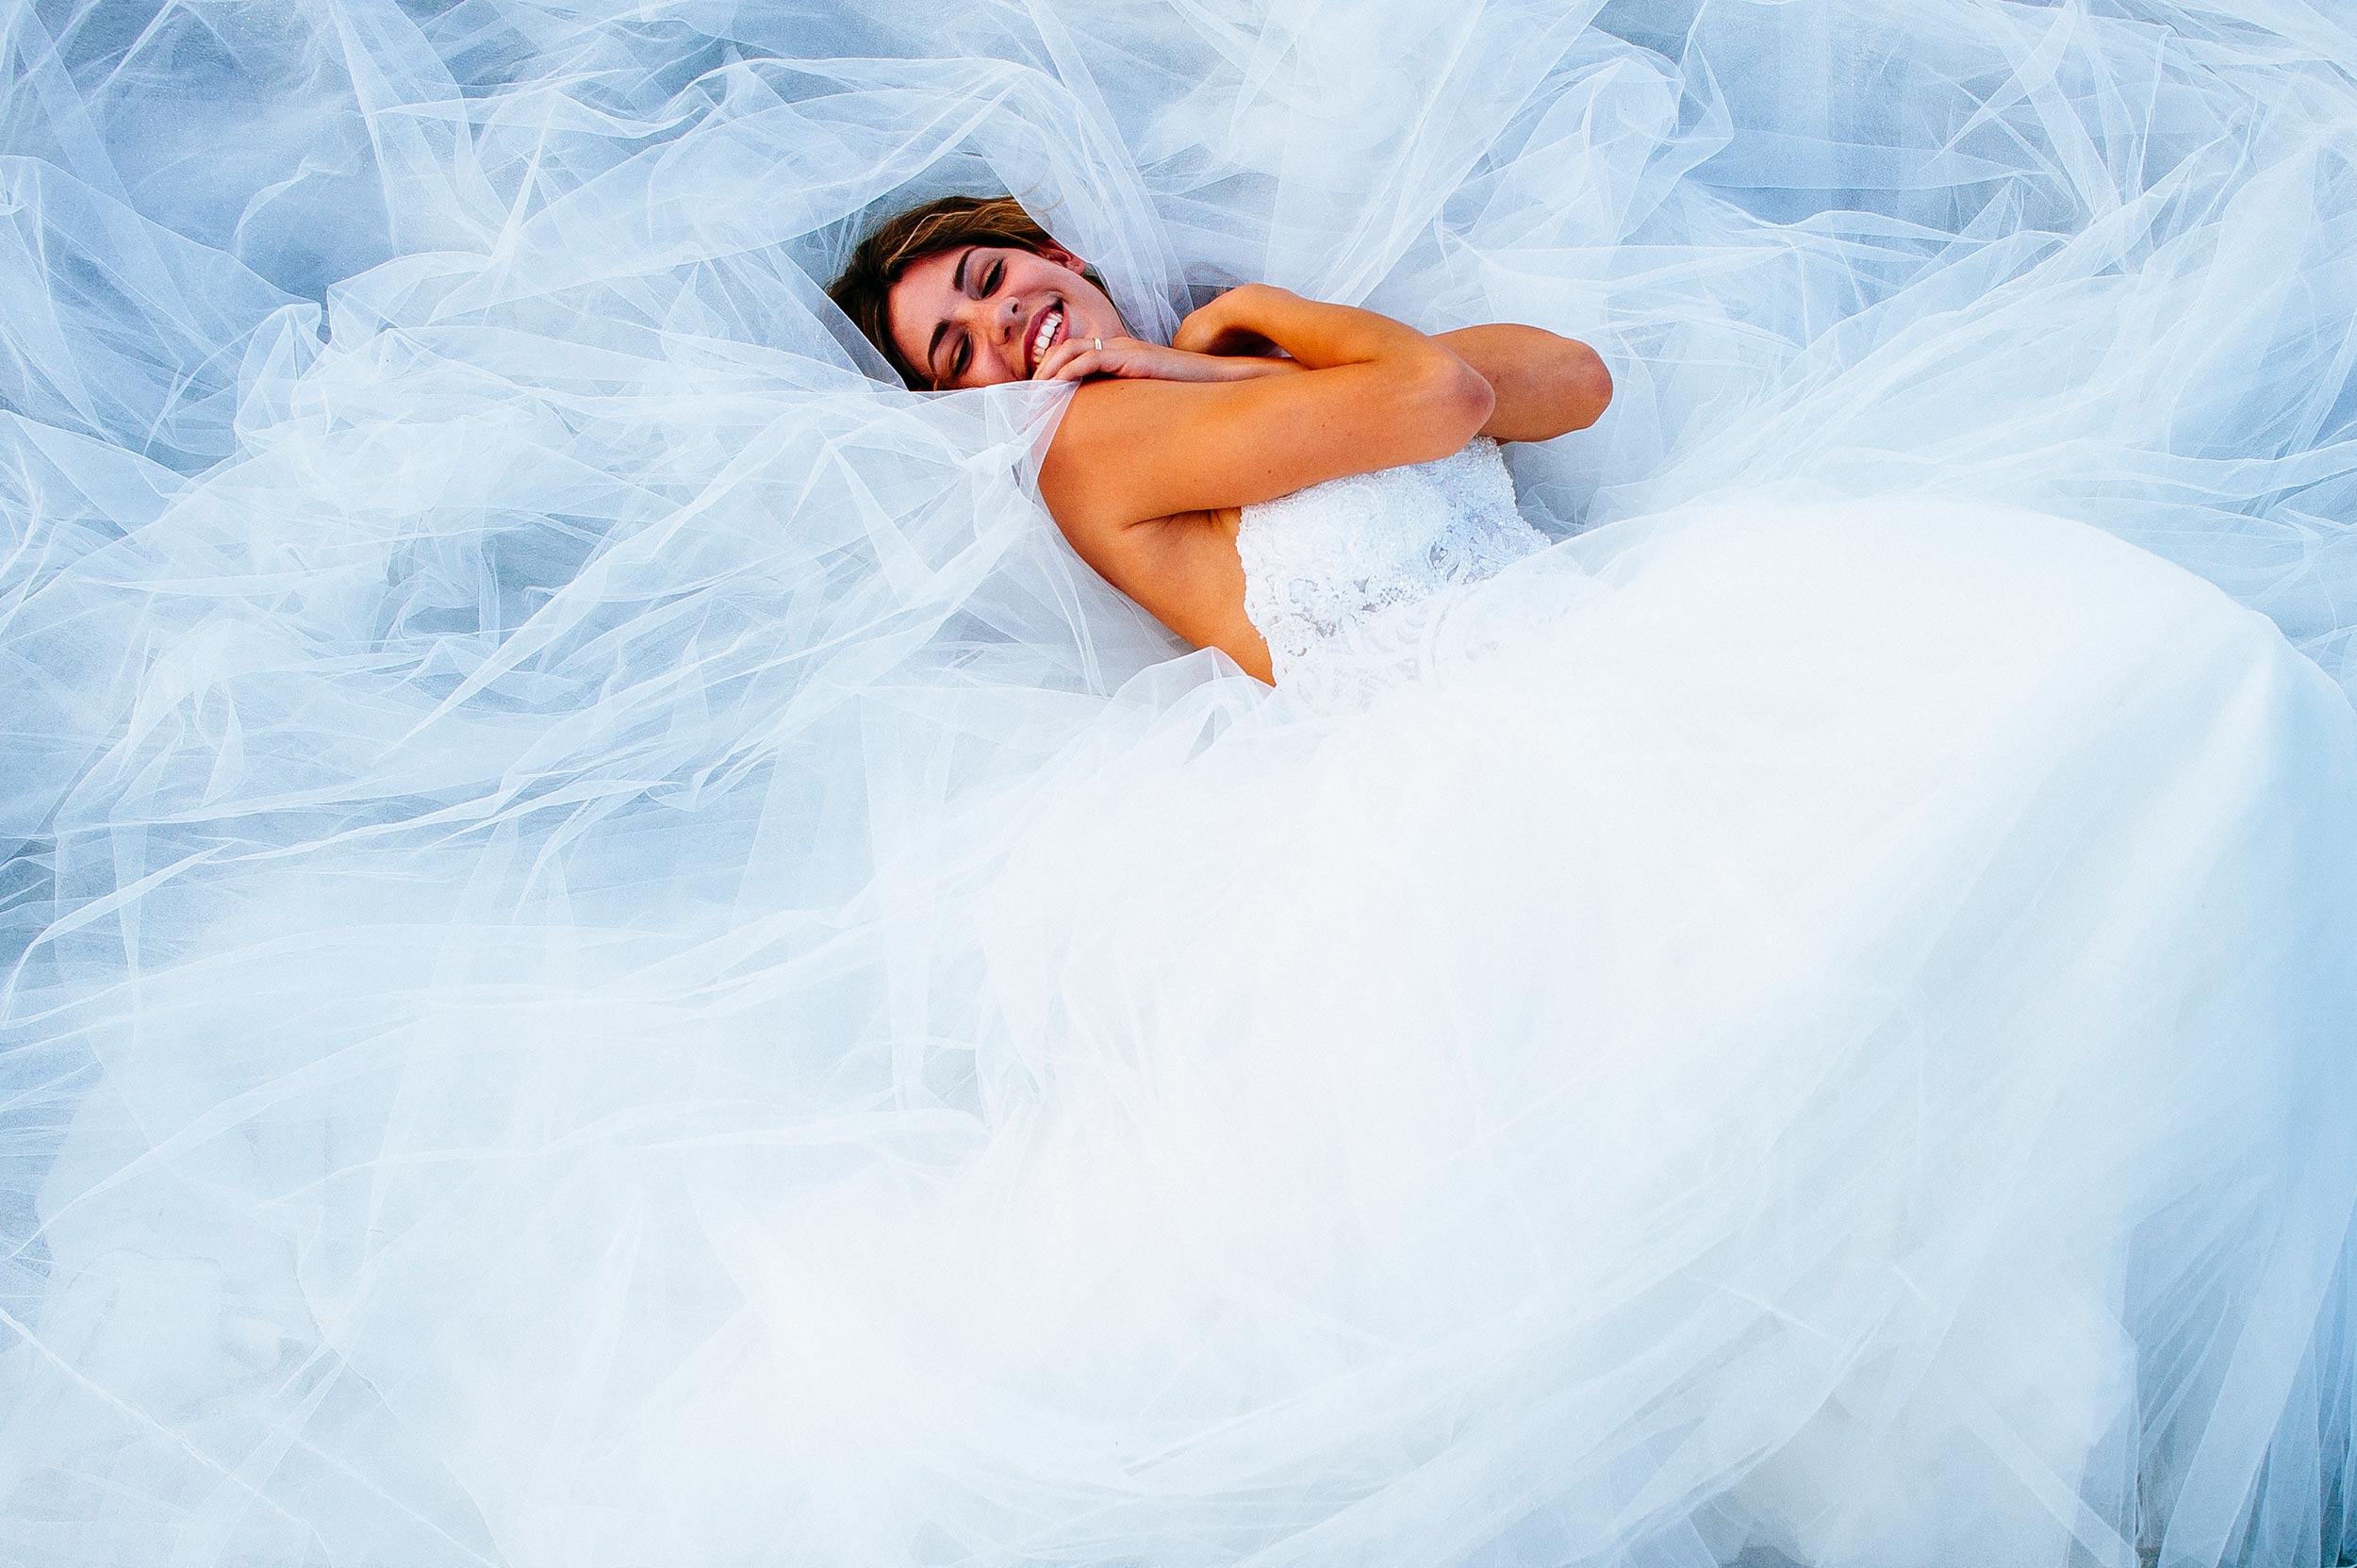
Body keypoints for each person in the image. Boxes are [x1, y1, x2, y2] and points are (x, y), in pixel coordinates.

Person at [3, 4, 2356, 1567]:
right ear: (956, 408)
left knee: (2061, 811)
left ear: (1050, 246)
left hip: (1597, 677)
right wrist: (1241, 350)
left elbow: (1568, 379)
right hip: (1479, 773)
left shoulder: (1200, 359)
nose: (1008, 324)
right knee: (1935, 926)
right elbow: (1456, 412)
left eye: (1001, 278)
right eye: (958, 341)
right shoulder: (1100, 448)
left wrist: (1271, 322)